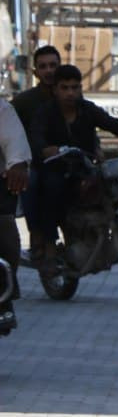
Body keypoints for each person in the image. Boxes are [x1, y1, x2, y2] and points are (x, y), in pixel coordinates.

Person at [26, 65, 118, 266]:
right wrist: (46, 149)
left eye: (75, 87)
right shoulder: (45, 112)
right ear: (55, 89)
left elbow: (111, 123)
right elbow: (35, 137)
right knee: (52, 189)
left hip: (86, 166)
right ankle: (50, 246)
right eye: (65, 88)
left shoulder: (87, 109)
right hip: (56, 168)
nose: (70, 93)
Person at [10, 44, 60, 252]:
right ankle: (38, 234)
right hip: (36, 162)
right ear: (35, 72)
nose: (49, 70)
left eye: (53, 65)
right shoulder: (24, 102)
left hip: (66, 160)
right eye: (43, 66)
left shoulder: (69, 96)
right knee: (31, 181)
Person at [0, 100, 31, 335]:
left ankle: (4, 297)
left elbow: (14, 139)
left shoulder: (2, 109)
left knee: (5, 230)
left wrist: (17, 164)